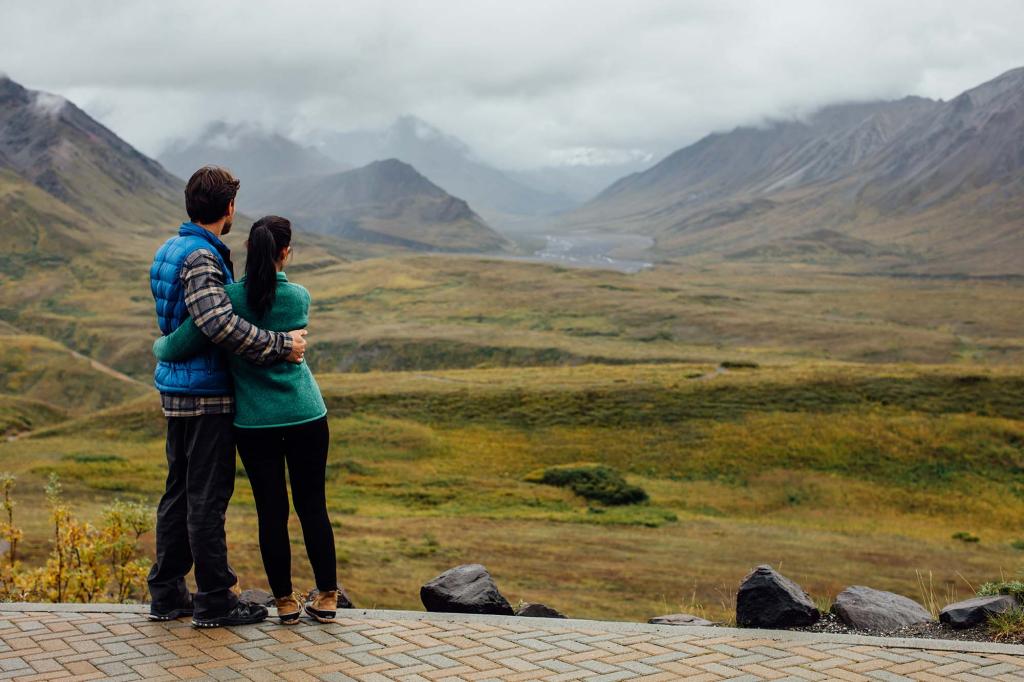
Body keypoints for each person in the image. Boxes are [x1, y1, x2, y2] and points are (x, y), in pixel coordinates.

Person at [154, 215, 340, 625]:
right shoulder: (300, 297)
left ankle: (286, 603)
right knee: (313, 506)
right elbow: (278, 302)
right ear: (285, 252)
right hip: (307, 414)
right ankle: (327, 596)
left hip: (255, 423)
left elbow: (179, 343)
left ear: (249, 252)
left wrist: (159, 344)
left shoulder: (230, 300)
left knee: (270, 511)